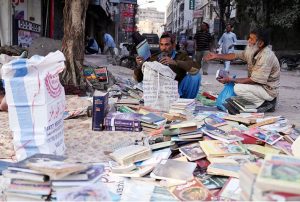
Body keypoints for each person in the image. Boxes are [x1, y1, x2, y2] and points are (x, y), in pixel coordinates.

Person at [204, 29, 280, 112]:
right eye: (249, 38)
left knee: (238, 88)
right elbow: (235, 55)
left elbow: (254, 80)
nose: (248, 41)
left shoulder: (266, 56)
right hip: (258, 86)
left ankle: (266, 103)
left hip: (267, 90)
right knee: (236, 85)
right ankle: (257, 102)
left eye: (251, 39)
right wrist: (216, 56)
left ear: (260, 43)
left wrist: (230, 79)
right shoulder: (253, 50)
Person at [134, 32, 201, 99]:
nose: (164, 48)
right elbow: (139, 79)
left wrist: (175, 62)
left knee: (195, 77)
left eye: (167, 44)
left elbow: (196, 67)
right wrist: (140, 65)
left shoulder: (181, 56)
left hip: (176, 88)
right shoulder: (154, 58)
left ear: (173, 45)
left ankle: (185, 102)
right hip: (158, 91)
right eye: (161, 45)